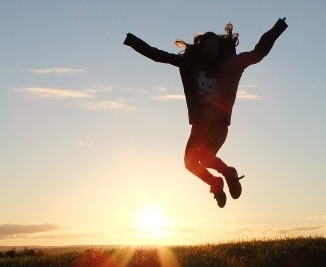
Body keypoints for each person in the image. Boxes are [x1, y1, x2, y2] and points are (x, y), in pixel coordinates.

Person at [123, 18, 288, 207]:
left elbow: (259, 53)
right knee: (191, 163)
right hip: (200, 125)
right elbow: (158, 55)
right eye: (208, 46)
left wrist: (278, 28)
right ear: (201, 49)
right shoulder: (189, 64)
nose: (212, 49)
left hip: (219, 124)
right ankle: (217, 182)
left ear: (220, 49)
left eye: (215, 46)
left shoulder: (232, 65)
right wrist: (132, 41)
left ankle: (228, 174)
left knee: (205, 159)